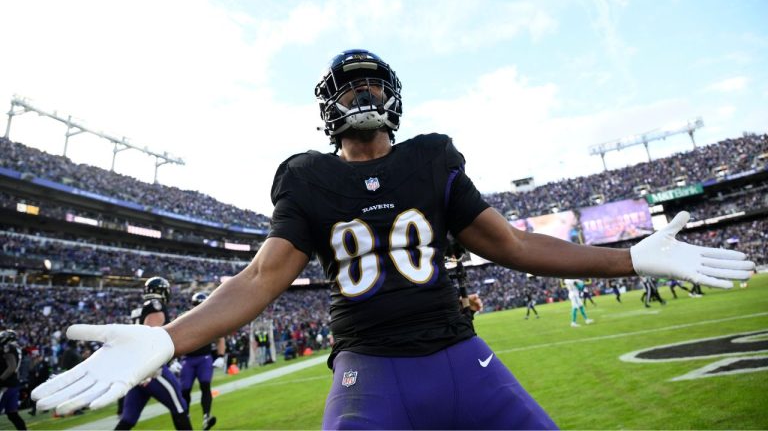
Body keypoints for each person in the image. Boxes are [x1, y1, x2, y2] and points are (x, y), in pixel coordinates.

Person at [32, 49, 756, 429]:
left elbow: (510, 245)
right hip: (368, 376)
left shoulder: (432, 157)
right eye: (347, 90)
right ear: (325, 108)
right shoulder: (307, 178)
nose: (361, 96)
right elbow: (260, 278)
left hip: (461, 356)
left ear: (396, 97)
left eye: (372, 85)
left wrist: (628, 256)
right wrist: (170, 338)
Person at [114, 277, 192, 430]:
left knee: (128, 419)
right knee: (180, 407)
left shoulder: (139, 309)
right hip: (151, 370)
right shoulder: (155, 306)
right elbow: (148, 338)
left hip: (136, 371)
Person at [180, 292, 226, 431]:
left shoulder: (211, 320)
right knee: (185, 390)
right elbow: (176, 338)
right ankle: (185, 418)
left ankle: (206, 416)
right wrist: (173, 359)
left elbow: (220, 338)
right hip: (188, 359)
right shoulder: (185, 318)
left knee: (205, 385)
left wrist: (221, 356)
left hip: (204, 358)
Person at [0, 330, 27, 430]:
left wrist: (1, 379)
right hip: (13, 384)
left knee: (12, 414)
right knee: (12, 414)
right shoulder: (17, 348)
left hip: (6, 385)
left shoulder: (9, 347)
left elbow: (11, 367)